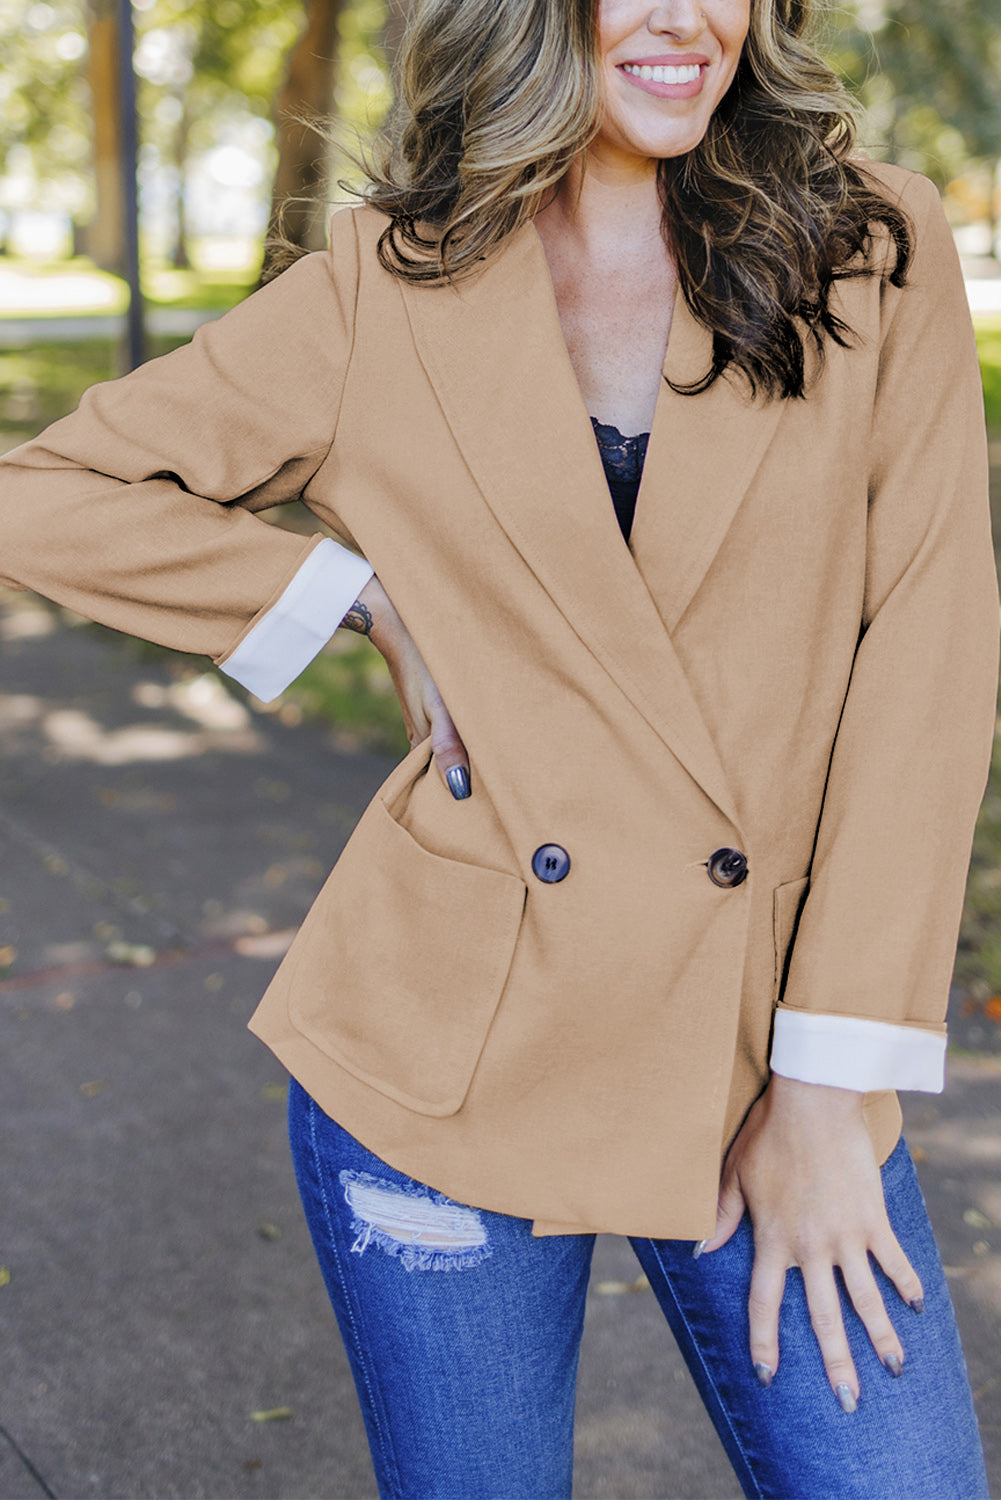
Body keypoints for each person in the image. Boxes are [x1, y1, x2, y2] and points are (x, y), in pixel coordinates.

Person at [1, 0, 998, 1494]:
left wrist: (816, 1099)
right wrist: (347, 596)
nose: (680, 17)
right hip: (443, 1066)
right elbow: (44, 489)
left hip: (771, 1049)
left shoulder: (870, 246)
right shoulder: (385, 286)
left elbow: (927, 657)